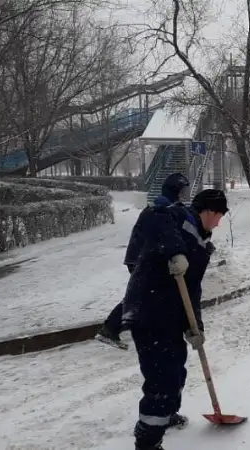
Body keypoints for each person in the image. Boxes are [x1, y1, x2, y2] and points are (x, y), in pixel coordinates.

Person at [123, 188, 228, 450]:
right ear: (207, 211)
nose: (219, 221)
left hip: (168, 314)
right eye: (218, 215)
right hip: (149, 312)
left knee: (175, 368)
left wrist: (196, 327)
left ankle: (165, 415)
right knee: (162, 379)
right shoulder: (177, 217)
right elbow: (152, 217)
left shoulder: (201, 243)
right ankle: (148, 440)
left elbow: (192, 289)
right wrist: (175, 251)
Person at [95, 173, 191, 350]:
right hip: (140, 259)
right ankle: (111, 328)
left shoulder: (164, 205)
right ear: (175, 191)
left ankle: (118, 326)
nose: (183, 195)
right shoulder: (161, 207)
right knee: (141, 295)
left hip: (141, 257)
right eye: (182, 191)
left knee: (143, 294)